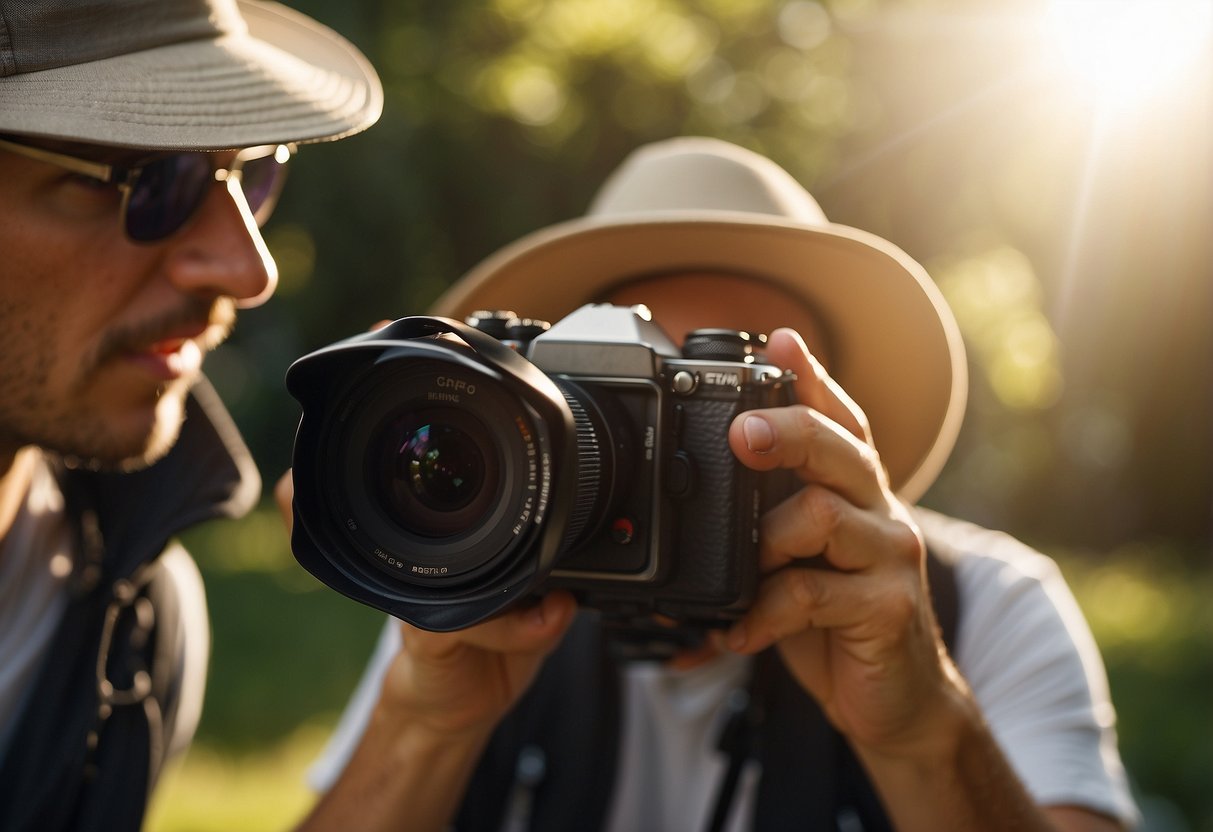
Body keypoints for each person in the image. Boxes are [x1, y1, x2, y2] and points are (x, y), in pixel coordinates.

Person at [294, 138, 1139, 831]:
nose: (652, 456)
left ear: (829, 420)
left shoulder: (985, 606)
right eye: (619, 393)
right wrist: (426, 724)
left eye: (716, 389)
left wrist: (919, 731)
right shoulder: (474, 568)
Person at [0, 1, 381, 829]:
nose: (249, 269)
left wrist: (426, 717)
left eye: (254, 173)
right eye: (150, 181)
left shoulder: (135, 625)